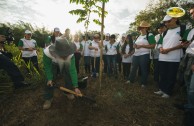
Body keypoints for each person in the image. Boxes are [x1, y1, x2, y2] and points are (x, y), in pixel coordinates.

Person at [154, 15, 189, 98]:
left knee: (171, 75)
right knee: (163, 74)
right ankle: (162, 89)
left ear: (175, 19)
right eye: (165, 22)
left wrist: (169, 49)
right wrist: (161, 49)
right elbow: (160, 43)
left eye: (168, 21)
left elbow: (184, 43)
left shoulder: (183, 28)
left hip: (174, 57)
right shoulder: (165, 32)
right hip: (162, 57)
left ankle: (168, 92)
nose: (166, 23)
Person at [42, 37, 81, 110]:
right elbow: (47, 67)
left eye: (66, 54)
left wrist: (76, 86)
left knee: (68, 75)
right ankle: (48, 98)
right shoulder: (47, 53)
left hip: (66, 64)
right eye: (63, 55)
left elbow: (72, 70)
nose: (65, 56)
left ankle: (68, 92)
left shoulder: (71, 55)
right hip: (53, 63)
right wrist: (50, 78)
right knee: (48, 80)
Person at [126, 21, 156, 87]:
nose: (141, 29)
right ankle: (130, 80)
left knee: (143, 68)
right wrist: (135, 46)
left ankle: (143, 83)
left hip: (144, 54)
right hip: (136, 54)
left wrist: (142, 46)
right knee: (133, 68)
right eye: (140, 28)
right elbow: (136, 45)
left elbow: (153, 45)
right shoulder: (139, 36)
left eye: (142, 28)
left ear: (146, 28)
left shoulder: (150, 35)